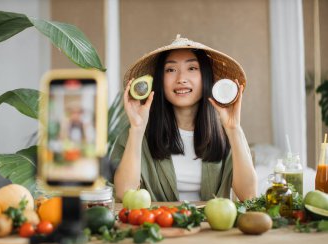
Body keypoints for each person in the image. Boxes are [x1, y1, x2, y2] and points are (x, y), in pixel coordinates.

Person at [110, 35, 257, 202]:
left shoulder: (228, 132)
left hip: (212, 227)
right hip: (159, 226)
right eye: (170, 70)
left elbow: (249, 196)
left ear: (206, 78)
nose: (181, 79)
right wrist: (136, 129)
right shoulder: (135, 132)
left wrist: (233, 128)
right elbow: (124, 195)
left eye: (192, 68)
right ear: (159, 80)